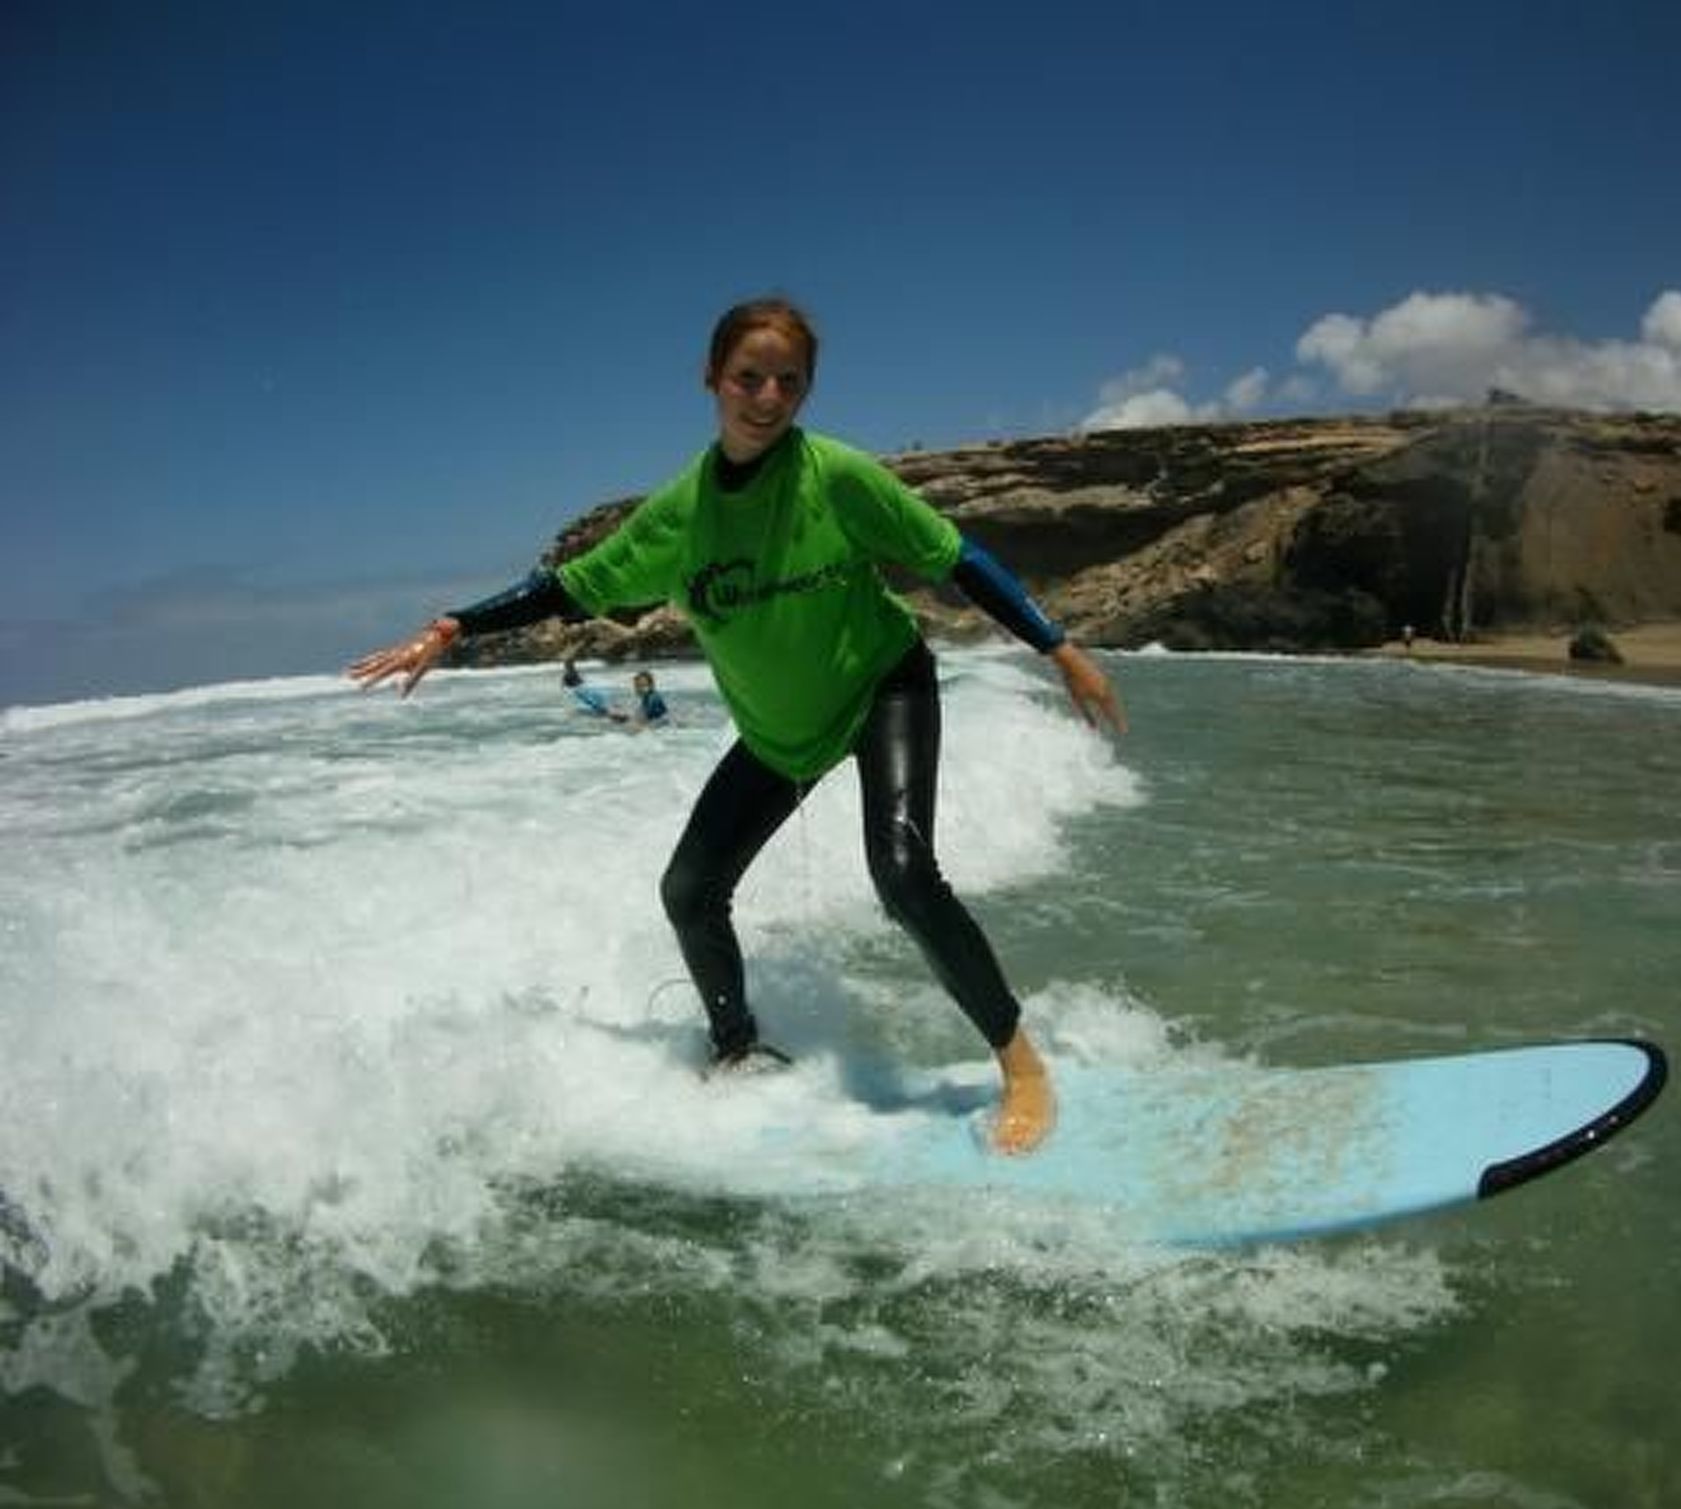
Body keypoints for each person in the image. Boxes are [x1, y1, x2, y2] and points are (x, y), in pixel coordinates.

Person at [350, 297, 1125, 1155]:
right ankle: (736, 1049)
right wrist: (455, 625)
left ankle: (1021, 1065)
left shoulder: (837, 477)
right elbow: (569, 586)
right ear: (712, 379)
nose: (767, 396)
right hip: (776, 734)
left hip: (882, 688)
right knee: (688, 892)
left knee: (903, 875)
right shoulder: (678, 519)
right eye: (748, 377)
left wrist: (1059, 649)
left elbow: (957, 557)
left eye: (788, 381)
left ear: (807, 390)